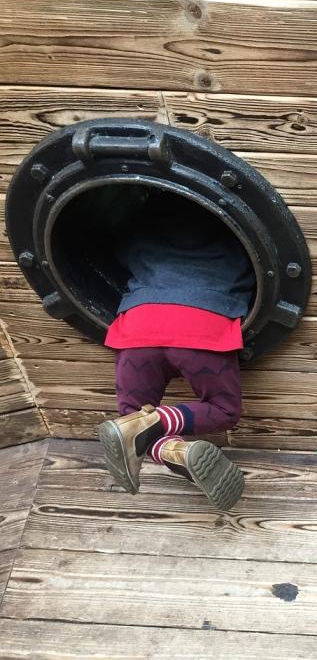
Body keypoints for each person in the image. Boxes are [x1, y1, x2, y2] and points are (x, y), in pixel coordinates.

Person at [97, 188, 254, 510]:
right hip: (202, 325)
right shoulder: (232, 232)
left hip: (139, 324)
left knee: (132, 419)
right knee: (224, 410)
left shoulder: (139, 228)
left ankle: (175, 451)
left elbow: (116, 256)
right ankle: (159, 424)